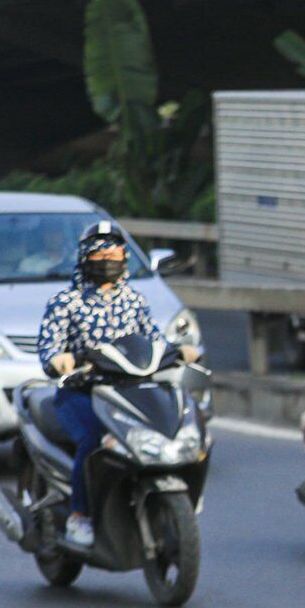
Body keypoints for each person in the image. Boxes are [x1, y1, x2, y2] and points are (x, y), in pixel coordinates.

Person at [36, 221, 195, 548]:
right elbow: (49, 347)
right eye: (99, 253)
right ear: (85, 257)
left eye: (113, 253)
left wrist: (179, 351)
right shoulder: (66, 301)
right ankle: (80, 514)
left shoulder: (135, 300)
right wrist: (59, 360)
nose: (107, 259)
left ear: (124, 257)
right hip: (82, 393)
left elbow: (153, 340)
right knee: (95, 440)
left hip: (129, 392)